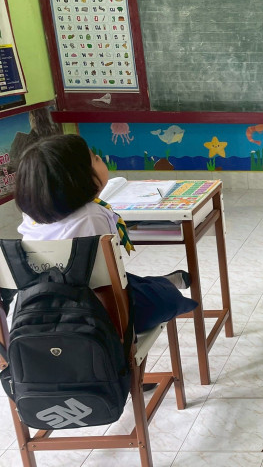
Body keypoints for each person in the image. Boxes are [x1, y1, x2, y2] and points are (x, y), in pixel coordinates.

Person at [14, 134, 197, 332]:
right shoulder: (92, 215)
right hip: (95, 312)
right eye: (96, 159)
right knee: (167, 299)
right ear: (79, 179)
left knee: (130, 281)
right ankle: (164, 285)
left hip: (43, 308)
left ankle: (160, 283)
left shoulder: (30, 218)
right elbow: (110, 278)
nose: (100, 160)